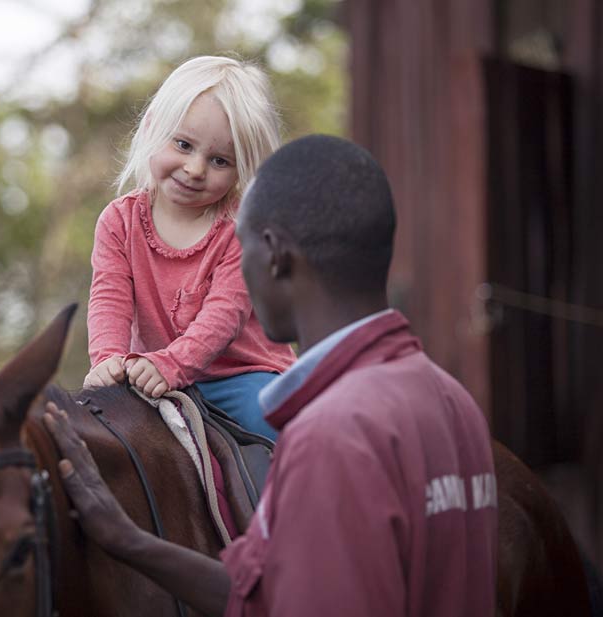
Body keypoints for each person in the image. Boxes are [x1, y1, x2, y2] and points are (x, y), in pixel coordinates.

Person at [46, 134, 498, 616]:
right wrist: (126, 539)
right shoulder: (455, 402)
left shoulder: (330, 433)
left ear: (276, 255)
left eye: (241, 247)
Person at [83, 55, 295, 440]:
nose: (195, 169)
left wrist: (173, 364)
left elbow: (224, 316)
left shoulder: (240, 230)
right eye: (183, 144)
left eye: (219, 160)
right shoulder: (119, 221)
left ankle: (295, 497)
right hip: (148, 373)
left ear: (241, 170)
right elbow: (109, 299)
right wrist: (108, 360)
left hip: (238, 375)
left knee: (280, 426)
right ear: (152, 130)